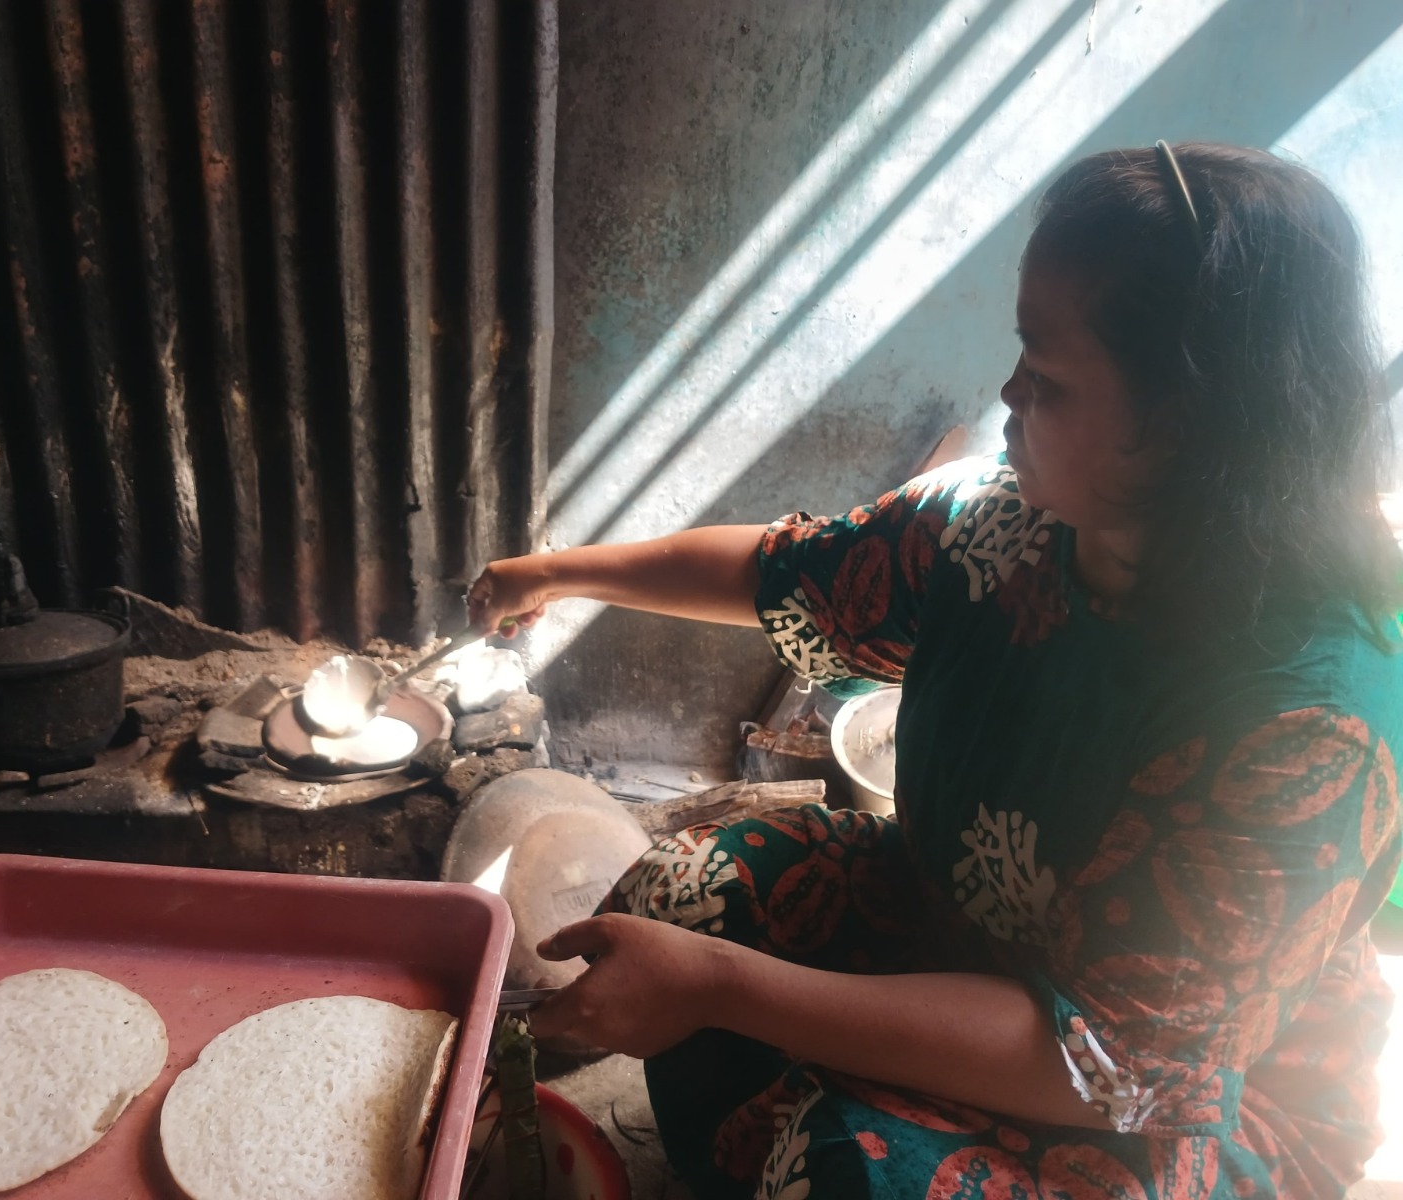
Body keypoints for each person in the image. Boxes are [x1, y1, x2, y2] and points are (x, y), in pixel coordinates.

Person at [467, 142, 1403, 1200]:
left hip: (1188, 1100)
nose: (1007, 393)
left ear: (1182, 425)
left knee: (856, 1171)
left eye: (1045, 378)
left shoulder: (1304, 726)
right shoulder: (997, 532)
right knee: (683, 895)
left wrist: (727, 989)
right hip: (968, 932)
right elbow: (784, 570)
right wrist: (551, 570)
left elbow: (1108, 1069)